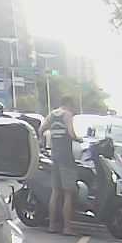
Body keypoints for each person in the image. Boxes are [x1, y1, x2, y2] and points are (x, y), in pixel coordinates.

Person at [46, 97, 79, 235]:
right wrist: (79, 138)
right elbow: (71, 133)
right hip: (66, 158)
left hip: (55, 156)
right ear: (69, 104)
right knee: (68, 193)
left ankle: (52, 226)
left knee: (55, 192)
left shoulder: (52, 115)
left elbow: (41, 129)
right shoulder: (67, 115)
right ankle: (67, 228)